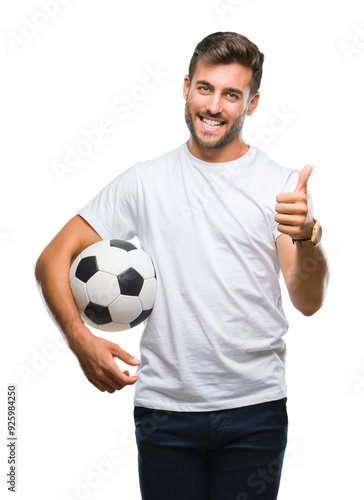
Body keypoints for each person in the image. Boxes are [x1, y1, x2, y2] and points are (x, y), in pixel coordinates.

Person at [35, 31, 329, 500]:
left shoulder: (283, 185)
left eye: (232, 94)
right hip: (164, 414)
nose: (214, 106)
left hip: (255, 411)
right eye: (205, 88)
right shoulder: (144, 181)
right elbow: (53, 258)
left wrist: (306, 237)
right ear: (187, 87)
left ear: (251, 105)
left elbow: (307, 301)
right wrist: (80, 340)